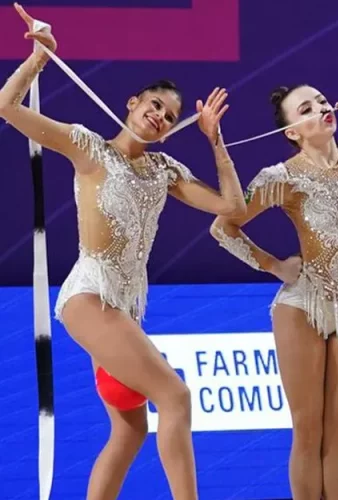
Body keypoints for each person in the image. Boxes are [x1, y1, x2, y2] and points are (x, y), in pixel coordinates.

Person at [0, 5, 246, 499]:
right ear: (133, 103)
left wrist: (216, 142)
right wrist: (39, 59)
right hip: (89, 296)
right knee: (175, 396)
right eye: (154, 105)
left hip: (126, 308)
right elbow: (7, 106)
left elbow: (232, 208)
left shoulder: (164, 170)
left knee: (130, 430)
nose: (159, 117)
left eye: (169, 116)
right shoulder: (89, 148)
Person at [209, 77, 338, 500]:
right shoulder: (282, 178)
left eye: (321, 101)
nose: (321, 109)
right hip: (303, 306)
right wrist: (273, 265)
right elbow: (223, 227)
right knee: (308, 429)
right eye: (306, 109)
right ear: (292, 132)